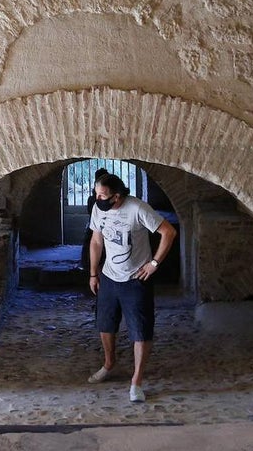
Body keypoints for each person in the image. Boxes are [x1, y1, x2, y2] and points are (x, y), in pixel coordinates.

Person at [86, 172, 177, 403]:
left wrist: (154, 264)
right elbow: (96, 241)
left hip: (136, 280)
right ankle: (109, 364)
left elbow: (168, 231)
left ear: (116, 196)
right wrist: (93, 273)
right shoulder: (100, 209)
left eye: (102, 195)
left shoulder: (137, 208)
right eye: (96, 194)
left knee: (140, 329)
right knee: (105, 324)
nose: (98, 198)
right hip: (108, 277)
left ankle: (136, 382)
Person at [79, 167, 110, 274]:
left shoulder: (92, 198)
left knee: (90, 243)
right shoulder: (96, 198)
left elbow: (90, 212)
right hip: (102, 225)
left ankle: (88, 265)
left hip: (96, 225)